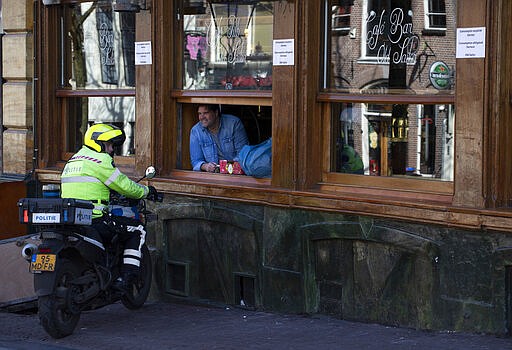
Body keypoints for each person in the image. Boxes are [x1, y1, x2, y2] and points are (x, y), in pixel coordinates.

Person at [60, 123, 158, 292]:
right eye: (110, 145)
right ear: (98, 143)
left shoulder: (74, 160)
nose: (112, 149)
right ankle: (127, 278)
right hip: (95, 218)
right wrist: (147, 191)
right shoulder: (100, 160)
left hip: (72, 218)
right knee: (137, 230)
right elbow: (124, 186)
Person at [190, 104, 249, 172]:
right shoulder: (196, 131)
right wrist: (206, 166)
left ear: (216, 112)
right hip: (211, 176)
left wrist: (226, 168)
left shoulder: (234, 124)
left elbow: (243, 155)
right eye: (200, 113)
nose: (201, 117)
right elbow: (196, 161)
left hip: (235, 174)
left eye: (206, 113)